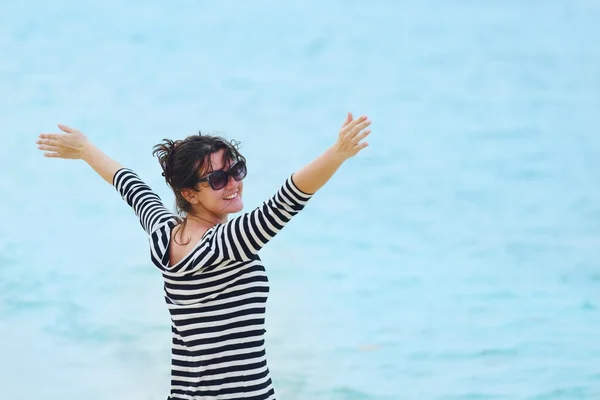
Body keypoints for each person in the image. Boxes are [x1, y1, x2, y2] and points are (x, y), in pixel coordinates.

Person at [35, 113, 372, 399]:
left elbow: (131, 186)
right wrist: (338, 153)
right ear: (189, 193)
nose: (233, 184)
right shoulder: (225, 243)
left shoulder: (163, 232)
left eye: (235, 170)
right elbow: (288, 198)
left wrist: (85, 150)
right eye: (217, 178)